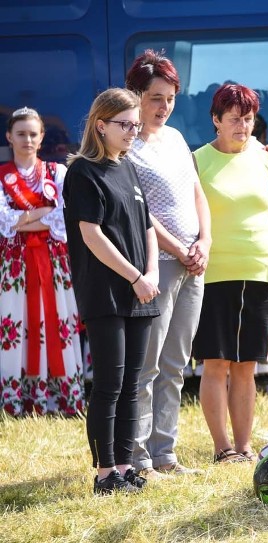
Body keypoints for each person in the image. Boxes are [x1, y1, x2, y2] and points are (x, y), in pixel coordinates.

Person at [63, 88, 160, 494]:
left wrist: (151, 272)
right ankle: (105, 474)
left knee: (133, 385)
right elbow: (92, 235)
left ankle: (125, 465)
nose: (132, 132)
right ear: (100, 125)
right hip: (107, 293)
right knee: (110, 383)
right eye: (125, 125)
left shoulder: (129, 167)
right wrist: (135, 277)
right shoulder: (83, 172)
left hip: (140, 292)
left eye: (136, 125)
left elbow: (148, 227)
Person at [193, 84, 268, 462]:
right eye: (234, 119)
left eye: (248, 119)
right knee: (216, 363)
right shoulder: (197, 160)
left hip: (259, 274)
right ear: (216, 120)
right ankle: (223, 449)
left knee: (247, 366)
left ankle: (246, 446)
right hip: (213, 274)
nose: (242, 126)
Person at [125, 50, 211, 478]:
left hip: (193, 263)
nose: (164, 107)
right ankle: (139, 458)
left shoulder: (176, 138)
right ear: (135, 96)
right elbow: (142, 214)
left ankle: (165, 453)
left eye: (171, 98)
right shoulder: (128, 146)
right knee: (148, 363)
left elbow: (197, 193)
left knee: (176, 363)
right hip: (158, 264)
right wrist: (180, 249)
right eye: (156, 97)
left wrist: (205, 242)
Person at [0, 107, 85, 417]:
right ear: (9, 136)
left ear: (42, 137)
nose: (27, 139)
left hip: (54, 263)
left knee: (57, 322)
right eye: (20, 133)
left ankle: (61, 399)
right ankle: (16, 401)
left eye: (33, 133)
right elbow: (2, 220)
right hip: (14, 266)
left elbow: (64, 216)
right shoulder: (1, 176)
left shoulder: (56, 173)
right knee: (15, 323)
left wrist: (24, 219)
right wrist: (42, 214)